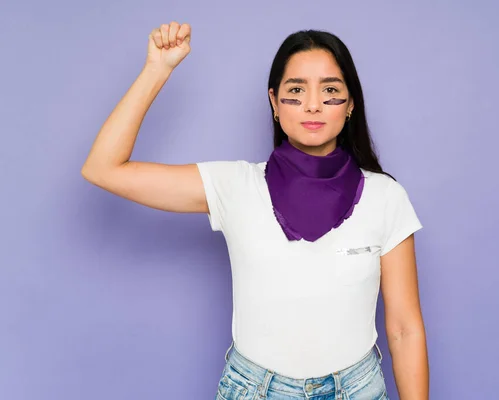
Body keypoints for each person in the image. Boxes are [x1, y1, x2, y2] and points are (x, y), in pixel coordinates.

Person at [81, 21, 429, 400]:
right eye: (296, 89)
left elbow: (404, 328)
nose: (313, 104)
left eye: (330, 90)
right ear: (275, 102)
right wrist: (157, 69)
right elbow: (103, 168)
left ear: (349, 105)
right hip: (255, 390)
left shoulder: (385, 196)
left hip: (357, 389)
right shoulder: (235, 186)